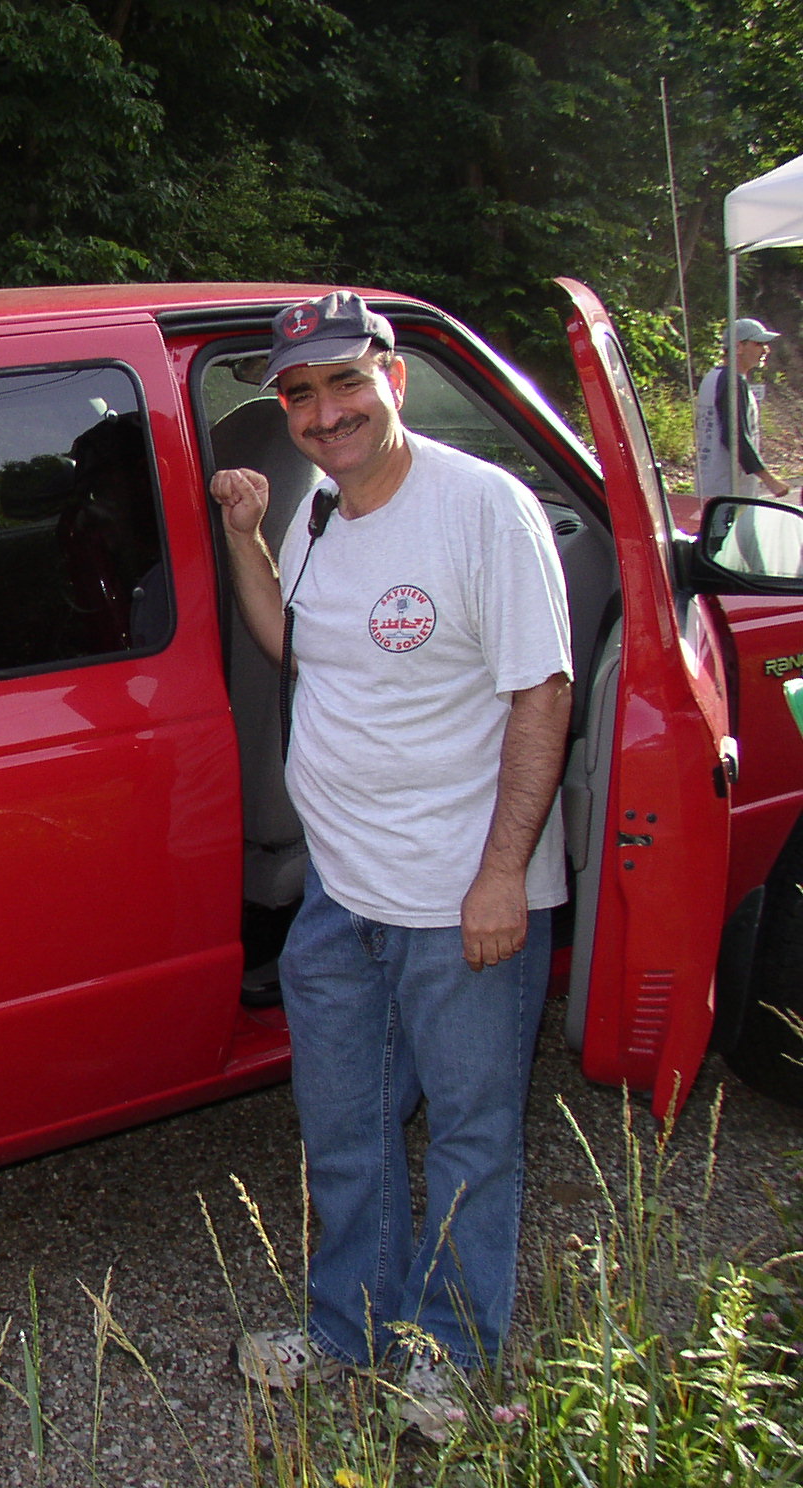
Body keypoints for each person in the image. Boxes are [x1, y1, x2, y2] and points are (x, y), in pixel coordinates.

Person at [209, 291, 572, 1439]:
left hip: (457, 898)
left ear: (393, 381)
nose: (325, 413)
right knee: (346, 1128)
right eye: (301, 394)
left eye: (345, 383)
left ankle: (449, 1365)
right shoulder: (320, 509)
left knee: (470, 1140)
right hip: (340, 898)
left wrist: (502, 874)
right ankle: (346, 1328)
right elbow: (295, 643)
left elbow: (541, 691)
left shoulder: (483, 510)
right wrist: (244, 539)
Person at [696, 318, 790, 500]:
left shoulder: (713, 377)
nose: (765, 350)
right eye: (758, 344)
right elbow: (734, 436)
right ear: (738, 347)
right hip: (729, 489)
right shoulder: (733, 382)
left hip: (711, 483)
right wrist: (770, 480)